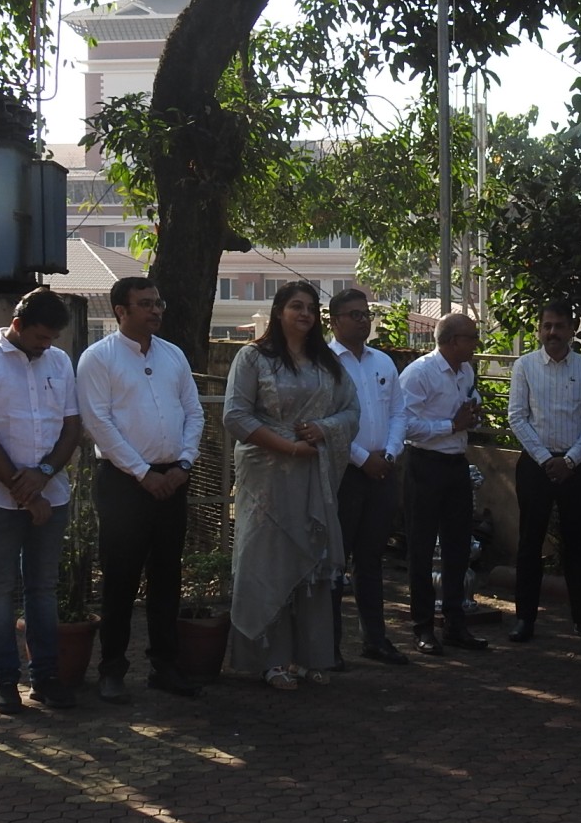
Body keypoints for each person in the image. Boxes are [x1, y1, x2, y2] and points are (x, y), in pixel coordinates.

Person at [0, 287, 84, 715]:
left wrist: (43, 475)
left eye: (52, 338)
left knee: (43, 587)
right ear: (17, 325)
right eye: (40, 337)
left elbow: (71, 428)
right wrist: (22, 490)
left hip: (52, 492)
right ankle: (4, 679)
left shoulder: (59, 361)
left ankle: (45, 677)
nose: (46, 345)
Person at [224, 281, 359, 689]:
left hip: (311, 476)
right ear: (279, 311)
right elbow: (235, 416)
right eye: (297, 306)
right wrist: (289, 447)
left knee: (310, 561)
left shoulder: (326, 364)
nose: (305, 314)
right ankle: (270, 658)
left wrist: (322, 429)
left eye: (311, 308)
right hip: (266, 478)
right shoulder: (253, 357)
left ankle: (306, 656)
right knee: (265, 561)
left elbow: (351, 411)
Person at [76, 277, 205, 703]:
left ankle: (164, 666)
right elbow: (98, 423)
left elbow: (194, 412)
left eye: (158, 303)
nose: (156, 310)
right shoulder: (99, 358)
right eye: (146, 304)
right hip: (124, 483)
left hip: (173, 478)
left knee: (167, 576)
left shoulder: (173, 355)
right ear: (121, 311)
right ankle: (112, 668)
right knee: (120, 578)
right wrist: (142, 473)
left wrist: (184, 464)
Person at [506, 301, 581, 644]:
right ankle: (524, 620)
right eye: (546, 326)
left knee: (576, 543)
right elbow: (517, 417)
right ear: (539, 329)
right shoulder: (525, 366)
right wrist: (545, 459)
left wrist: (571, 460)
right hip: (536, 466)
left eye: (559, 326)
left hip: (575, 468)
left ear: (571, 329)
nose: (552, 332)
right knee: (529, 542)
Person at [400, 312, 490, 655]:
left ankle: (455, 624)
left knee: (457, 546)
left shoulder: (465, 371)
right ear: (453, 341)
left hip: (455, 465)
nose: (476, 343)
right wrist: (450, 426)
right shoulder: (419, 373)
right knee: (422, 548)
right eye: (472, 337)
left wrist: (472, 415)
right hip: (424, 464)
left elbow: (468, 407)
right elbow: (405, 424)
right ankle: (423, 627)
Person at [327, 289, 409, 666]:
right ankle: (329, 646)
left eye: (366, 314)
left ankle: (375, 639)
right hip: (344, 473)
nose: (363, 320)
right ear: (334, 321)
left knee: (372, 559)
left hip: (382, 472)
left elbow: (399, 413)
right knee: (335, 560)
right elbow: (327, 423)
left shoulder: (383, 362)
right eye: (354, 314)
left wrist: (389, 454)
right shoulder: (325, 363)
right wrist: (363, 460)